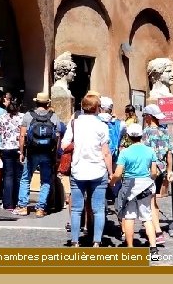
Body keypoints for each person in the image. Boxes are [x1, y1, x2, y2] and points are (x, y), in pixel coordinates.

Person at [61, 93, 112, 247]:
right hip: (98, 170)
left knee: (76, 209)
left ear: (82, 107)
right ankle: (97, 241)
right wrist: (111, 173)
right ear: (97, 108)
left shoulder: (74, 124)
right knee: (98, 209)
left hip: (78, 170)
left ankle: (75, 241)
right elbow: (106, 152)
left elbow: (63, 145)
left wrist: (77, 146)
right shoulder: (102, 126)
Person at [110, 123, 160, 260]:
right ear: (141, 135)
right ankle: (153, 248)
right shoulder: (150, 151)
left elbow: (118, 173)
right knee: (147, 217)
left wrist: (112, 182)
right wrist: (149, 180)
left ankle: (130, 248)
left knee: (129, 217)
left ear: (128, 136)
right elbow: (154, 172)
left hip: (130, 187)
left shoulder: (125, 152)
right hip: (145, 186)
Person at [15, 93, 61, 217]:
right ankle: (40, 209)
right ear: (47, 103)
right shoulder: (54, 117)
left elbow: (22, 136)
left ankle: (23, 207)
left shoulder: (28, 115)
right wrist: (56, 154)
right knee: (45, 180)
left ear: (36, 103)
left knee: (25, 179)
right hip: (47, 153)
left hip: (31, 152)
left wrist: (21, 152)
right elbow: (57, 137)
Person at [141, 104, 173, 245]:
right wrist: (169, 171)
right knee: (153, 199)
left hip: (150, 171)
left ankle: (157, 231)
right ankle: (155, 228)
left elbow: (144, 154)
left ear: (148, 117)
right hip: (161, 170)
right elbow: (169, 154)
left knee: (150, 201)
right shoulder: (165, 133)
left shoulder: (146, 133)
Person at [0, 102, 24, 211]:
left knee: (8, 175)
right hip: (18, 148)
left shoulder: (1, 117)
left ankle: (7, 203)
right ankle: (17, 201)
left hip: (5, 148)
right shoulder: (22, 117)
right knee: (18, 176)